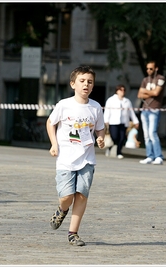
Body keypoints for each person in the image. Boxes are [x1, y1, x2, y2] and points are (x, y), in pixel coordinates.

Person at [46, 65, 105, 246]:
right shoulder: (64, 105)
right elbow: (50, 122)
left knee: (81, 195)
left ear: (93, 86)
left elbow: (101, 129)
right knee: (66, 197)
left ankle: (73, 233)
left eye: (90, 82)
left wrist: (101, 138)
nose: (86, 85)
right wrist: (54, 144)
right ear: (73, 84)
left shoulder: (95, 108)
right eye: (82, 81)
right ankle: (62, 210)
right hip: (65, 158)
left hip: (87, 159)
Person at [137, 60, 165, 165]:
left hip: (154, 108)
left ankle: (158, 156)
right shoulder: (145, 80)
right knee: (146, 135)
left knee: (152, 133)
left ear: (156, 68)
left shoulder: (160, 78)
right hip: (145, 109)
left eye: (151, 68)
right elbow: (139, 95)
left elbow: (157, 92)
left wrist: (146, 92)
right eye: (147, 68)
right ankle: (150, 155)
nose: (148, 70)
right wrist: (151, 93)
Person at [103, 84, 139, 159]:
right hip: (113, 122)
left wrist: (135, 121)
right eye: (120, 90)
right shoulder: (111, 100)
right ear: (117, 91)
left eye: (123, 90)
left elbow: (131, 112)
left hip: (123, 122)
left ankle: (119, 152)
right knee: (114, 136)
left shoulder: (127, 101)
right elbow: (107, 111)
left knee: (122, 138)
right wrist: (106, 120)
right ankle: (110, 148)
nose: (122, 92)